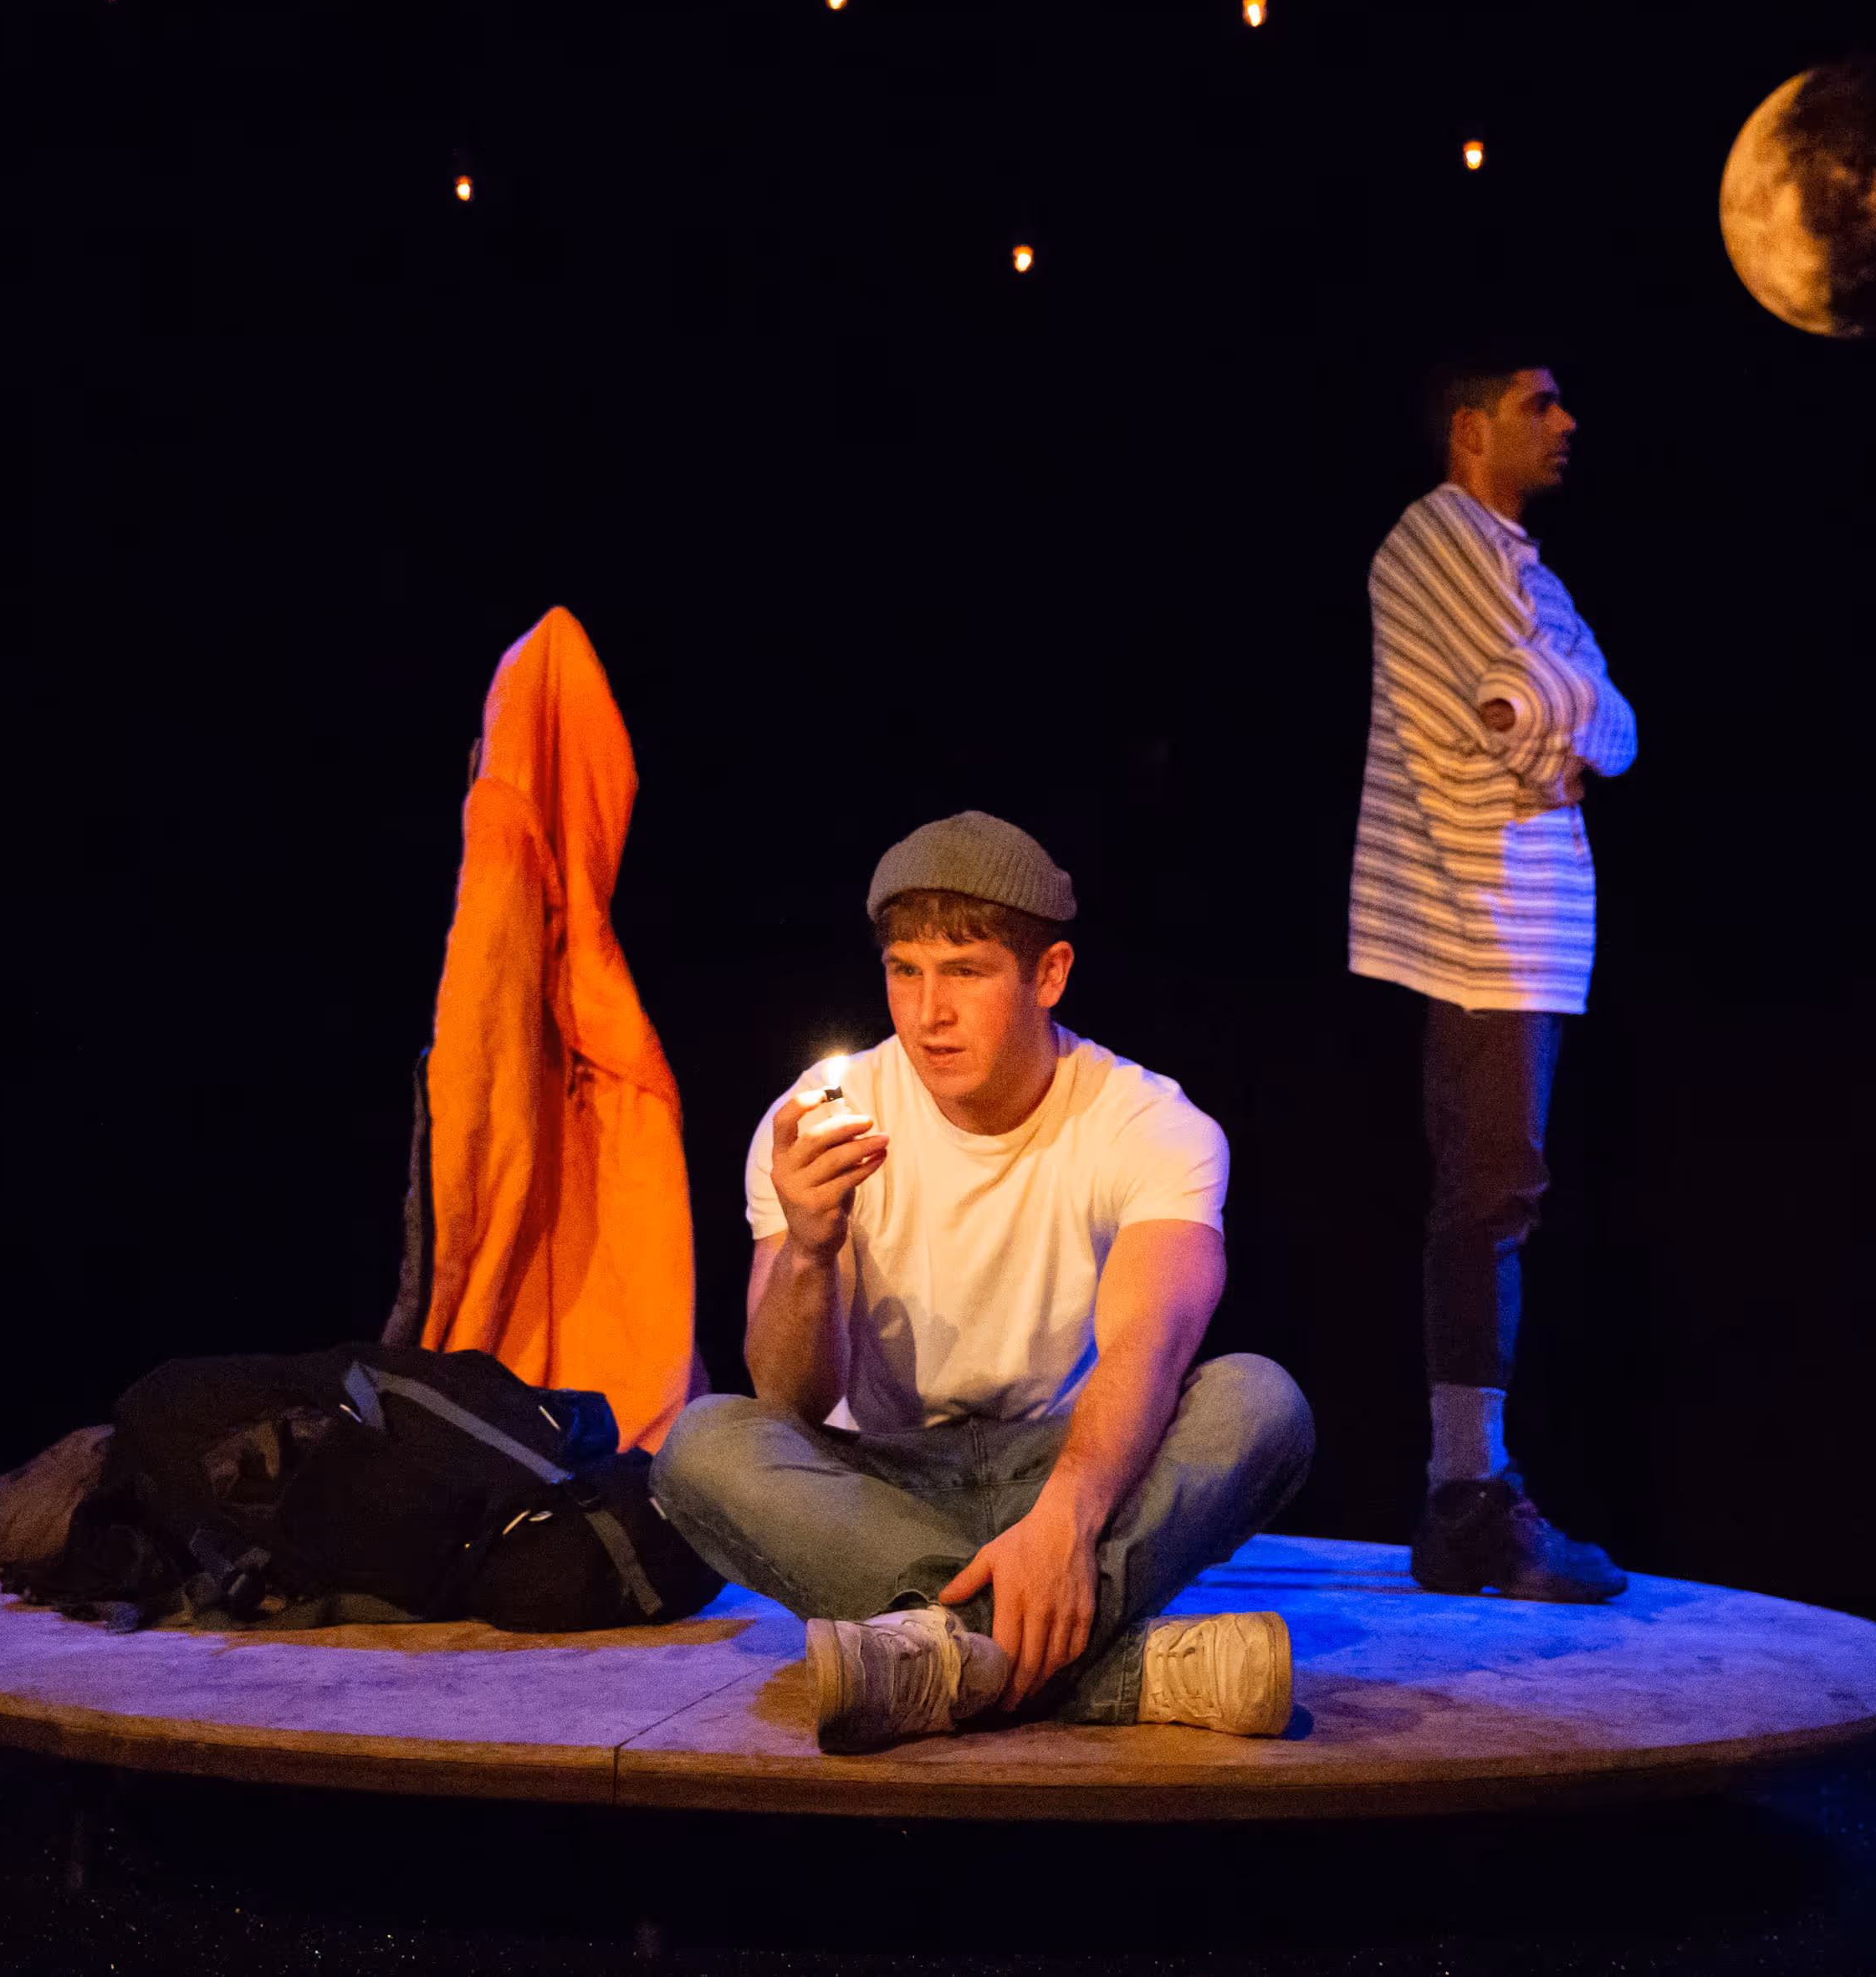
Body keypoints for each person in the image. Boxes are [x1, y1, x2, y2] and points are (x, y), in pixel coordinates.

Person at [652, 812, 1316, 1754]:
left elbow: (1146, 1347)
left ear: (1047, 976)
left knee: (1258, 1399)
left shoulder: (1148, 1124)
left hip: (1071, 1463)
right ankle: (1119, 1670)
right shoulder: (816, 1122)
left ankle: (940, 1653)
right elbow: (790, 1402)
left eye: (964, 972)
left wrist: (1067, 1517)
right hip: (884, 1482)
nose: (928, 1014)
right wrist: (807, 1250)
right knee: (703, 1442)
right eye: (904, 971)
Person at [1348, 360, 1638, 1603]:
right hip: (1479, 920)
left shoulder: (1531, 572)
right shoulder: (1439, 536)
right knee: (1485, 1201)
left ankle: (1470, 1493)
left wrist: (1559, 711)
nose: (1568, 422)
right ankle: (1466, 1497)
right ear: (1472, 430)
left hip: (1528, 925)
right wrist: (1551, 710)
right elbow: (1512, 711)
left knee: (1499, 1194)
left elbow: (1611, 725)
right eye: (1540, 403)